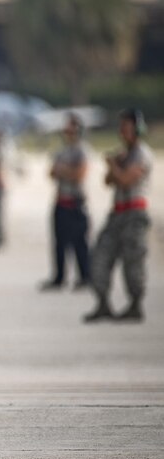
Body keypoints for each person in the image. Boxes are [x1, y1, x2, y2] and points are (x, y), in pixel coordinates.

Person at [84, 109, 154, 323]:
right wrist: (115, 166)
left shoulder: (142, 154)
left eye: (126, 127)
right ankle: (103, 303)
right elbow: (108, 181)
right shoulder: (124, 154)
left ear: (137, 129)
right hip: (117, 212)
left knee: (133, 262)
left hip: (135, 213)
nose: (122, 132)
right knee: (99, 257)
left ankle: (135, 305)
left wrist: (114, 165)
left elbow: (125, 180)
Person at [40, 113, 92, 290]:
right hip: (61, 201)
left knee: (79, 242)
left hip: (76, 203)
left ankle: (85, 277)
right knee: (59, 243)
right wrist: (66, 170)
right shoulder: (61, 151)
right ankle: (59, 277)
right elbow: (52, 173)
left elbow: (79, 175)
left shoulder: (82, 150)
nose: (68, 133)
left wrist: (64, 170)